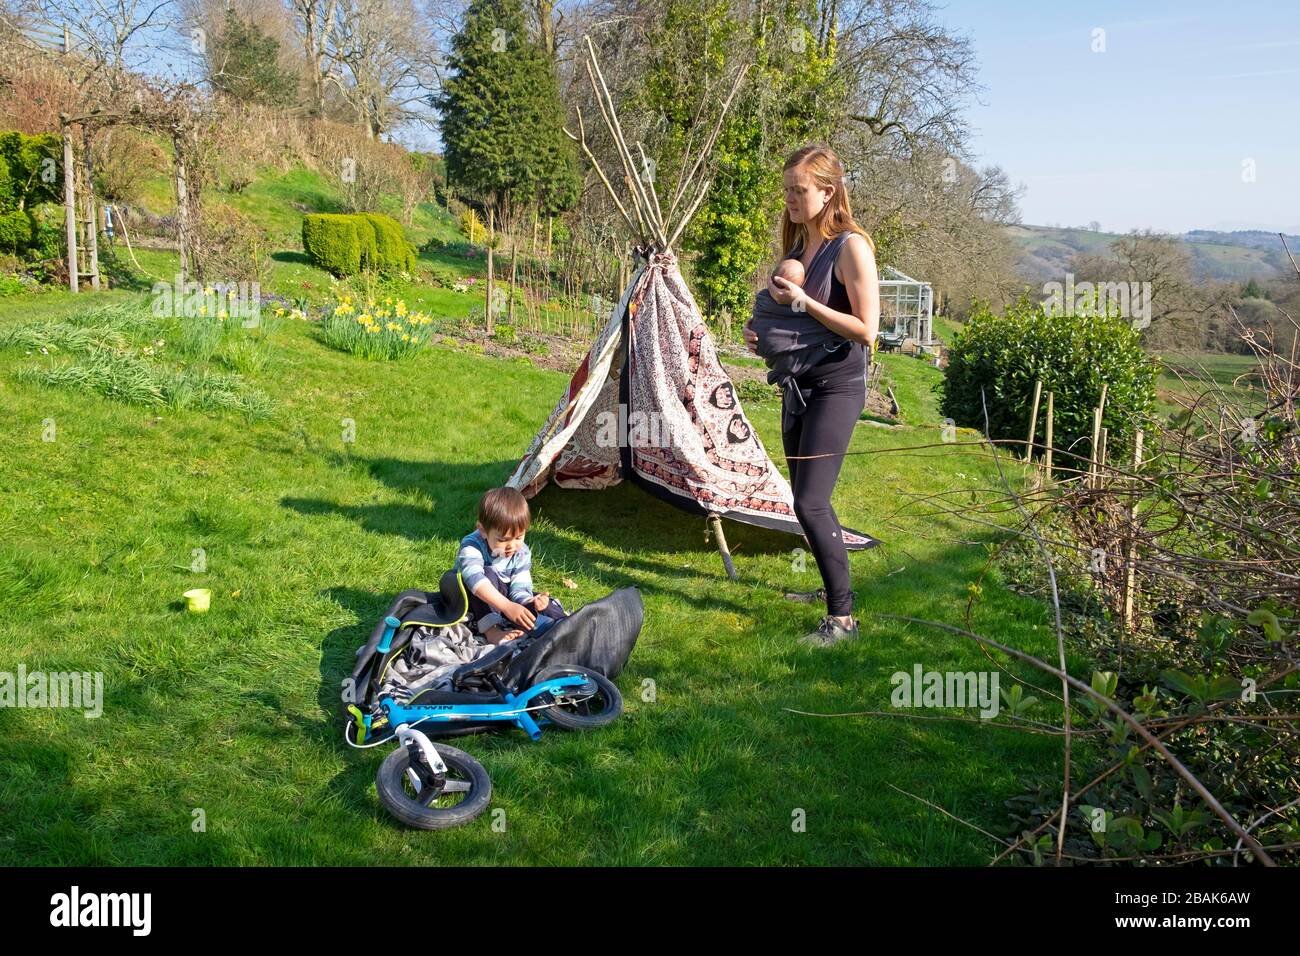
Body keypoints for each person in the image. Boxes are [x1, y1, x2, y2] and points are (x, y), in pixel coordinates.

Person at [743, 144, 880, 648]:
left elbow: (867, 331)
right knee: (804, 504)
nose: (791, 199)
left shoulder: (850, 248)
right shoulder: (799, 250)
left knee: (811, 499)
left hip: (837, 387)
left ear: (828, 190)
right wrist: (758, 335)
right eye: (787, 191)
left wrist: (804, 302)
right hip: (797, 387)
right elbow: (791, 323)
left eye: (799, 190)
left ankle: (842, 621)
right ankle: (831, 591)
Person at [454, 487, 568, 644]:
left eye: (519, 537)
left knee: (541, 605)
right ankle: (492, 631)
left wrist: (529, 601)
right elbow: (474, 580)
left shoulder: (521, 552)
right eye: (503, 539)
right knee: (487, 573)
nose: (512, 546)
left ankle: (562, 625)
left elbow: (519, 587)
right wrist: (507, 606)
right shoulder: (472, 545)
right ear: (483, 530)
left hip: (503, 597)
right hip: (469, 596)